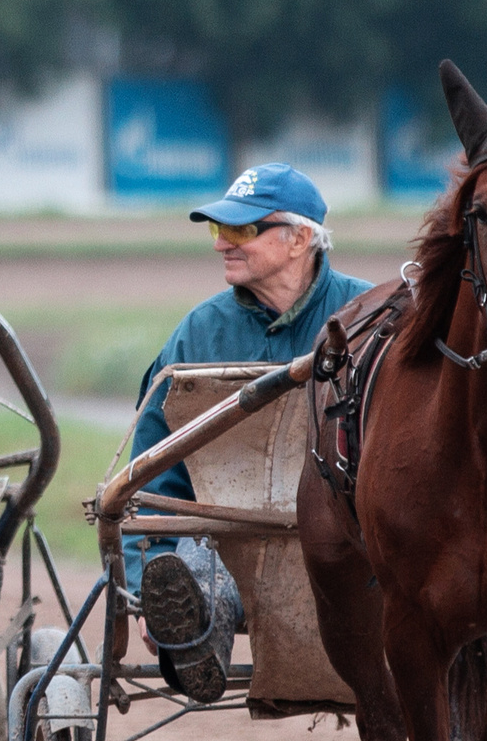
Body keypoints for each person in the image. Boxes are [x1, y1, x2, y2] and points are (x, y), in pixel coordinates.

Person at [126, 163, 370, 702]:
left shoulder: (370, 319)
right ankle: (192, 640)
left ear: (299, 239)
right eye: (219, 229)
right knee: (193, 567)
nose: (221, 244)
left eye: (241, 230)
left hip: (353, 548)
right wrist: (145, 581)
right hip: (225, 548)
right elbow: (152, 469)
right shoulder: (197, 333)